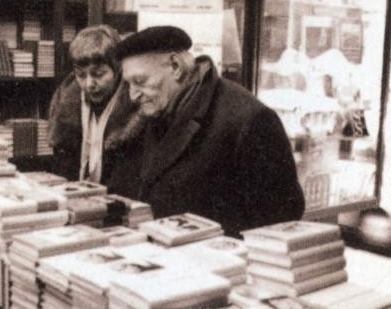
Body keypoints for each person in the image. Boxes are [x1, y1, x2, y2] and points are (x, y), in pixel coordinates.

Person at [107, 25, 304, 236]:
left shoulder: (249, 118)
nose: (133, 95)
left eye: (140, 82)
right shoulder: (153, 112)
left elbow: (284, 214)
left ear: (175, 66)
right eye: (128, 84)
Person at [48, 25, 145, 183]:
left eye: (98, 74)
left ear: (117, 69)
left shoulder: (137, 107)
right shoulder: (65, 106)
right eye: (80, 75)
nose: (89, 84)